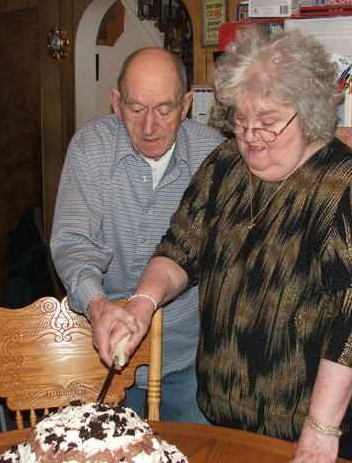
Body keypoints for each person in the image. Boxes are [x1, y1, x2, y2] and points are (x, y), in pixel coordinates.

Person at [93, 27, 352, 463]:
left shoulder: (347, 187)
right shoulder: (224, 165)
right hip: (227, 407)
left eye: (268, 122)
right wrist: (142, 304)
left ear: (308, 114)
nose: (250, 134)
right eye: (239, 118)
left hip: (313, 416)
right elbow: (180, 247)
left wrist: (321, 428)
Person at [50, 47, 223, 422]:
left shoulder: (214, 154)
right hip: (102, 353)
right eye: (136, 108)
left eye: (164, 110)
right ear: (116, 103)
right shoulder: (91, 147)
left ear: (186, 105)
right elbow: (73, 242)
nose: (149, 127)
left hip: (188, 357)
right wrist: (97, 305)